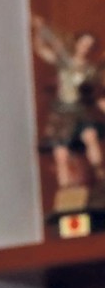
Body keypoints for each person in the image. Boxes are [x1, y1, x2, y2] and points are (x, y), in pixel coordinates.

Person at [32, 15, 105, 189]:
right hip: (62, 111)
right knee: (61, 153)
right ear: (76, 43)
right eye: (83, 43)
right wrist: (39, 30)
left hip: (80, 109)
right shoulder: (64, 61)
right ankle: (65, 189)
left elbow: (97, 92)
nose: (85, 48)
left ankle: (99, 172)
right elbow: (42, 49)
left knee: (90, 136)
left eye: (89, 45)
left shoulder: (90, 70)